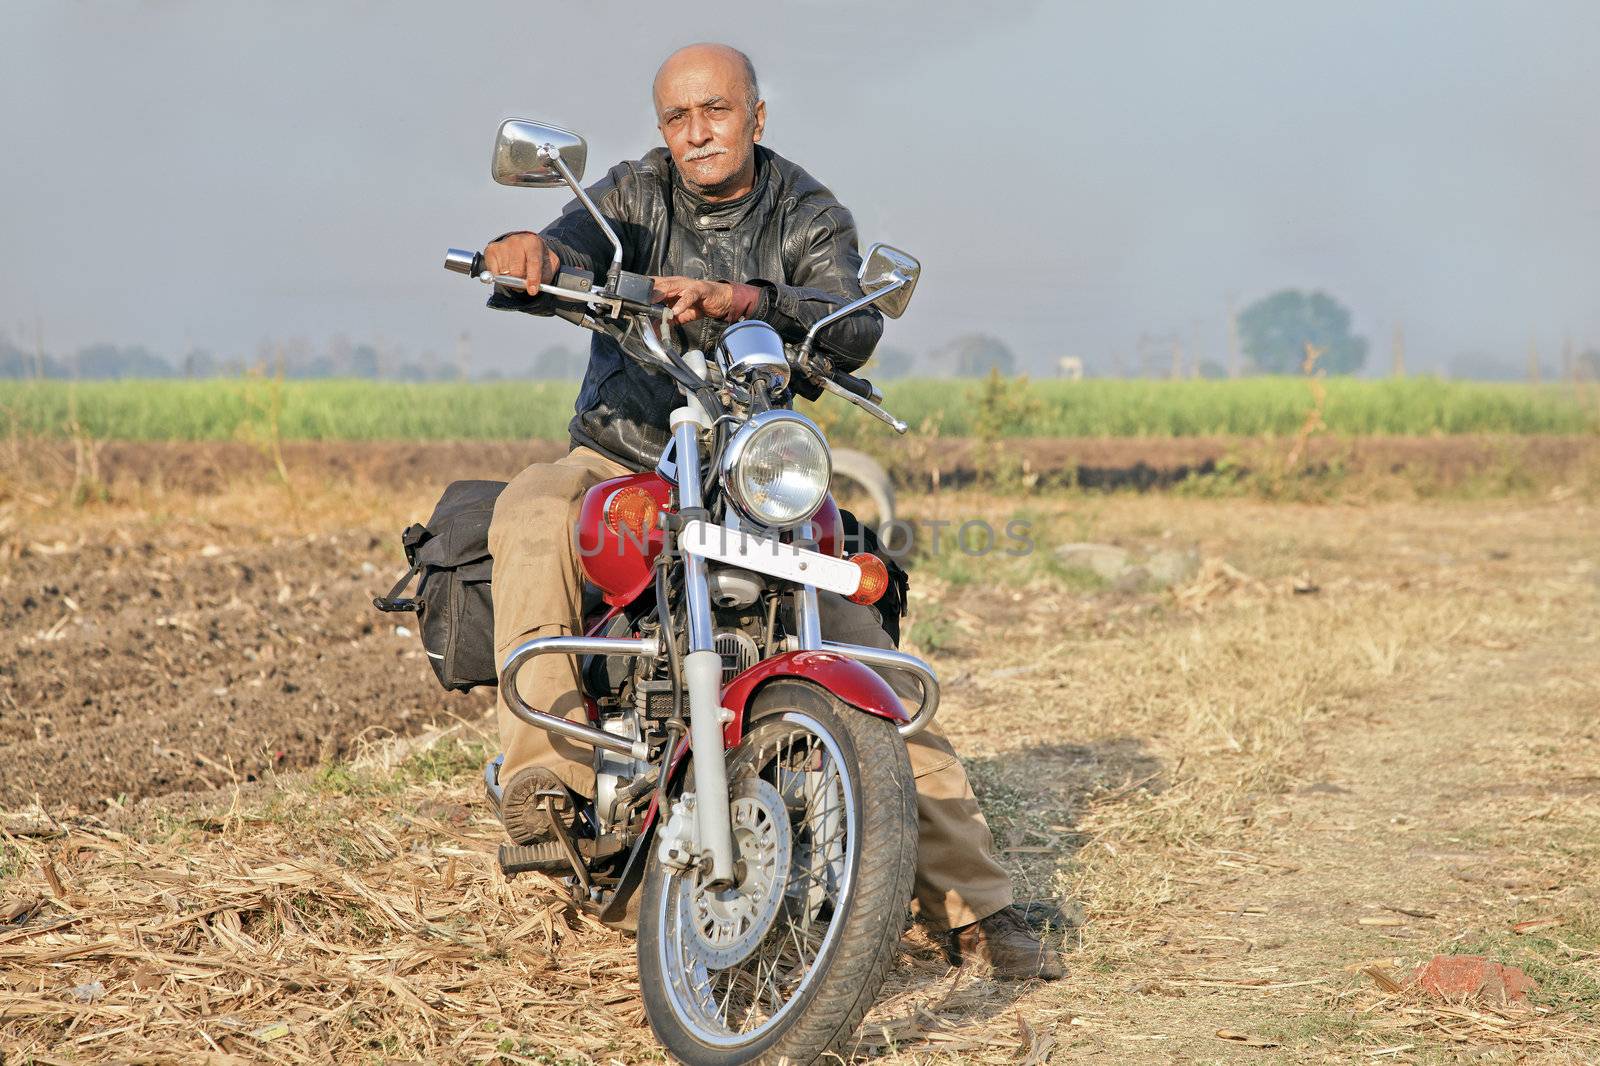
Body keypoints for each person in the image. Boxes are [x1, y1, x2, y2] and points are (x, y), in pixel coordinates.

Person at [480, 42, 1063, 981]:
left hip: (753, 472)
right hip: (624, 452)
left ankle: (978, 909)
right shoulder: (629, 196)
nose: (696, 131)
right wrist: (533, 254)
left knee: (865, 651)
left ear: (757, 116)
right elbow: (568, 249)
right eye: (677, 117)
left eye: (715, 110)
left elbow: (853, 314)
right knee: (531, 509)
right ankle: (547, 783)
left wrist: (745, 299)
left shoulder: (807, 211)